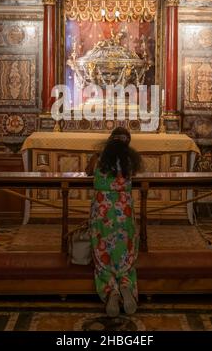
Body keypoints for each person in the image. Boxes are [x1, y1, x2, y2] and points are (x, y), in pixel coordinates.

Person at [86, 127, 141, 318]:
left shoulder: (99, 159)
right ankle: (125, 285)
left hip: (102, 210)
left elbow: (87, 173)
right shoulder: (130, 161)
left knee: (102, 253)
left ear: (109, 141)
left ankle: (111, 291)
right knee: (126, 251)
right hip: (123, 209)